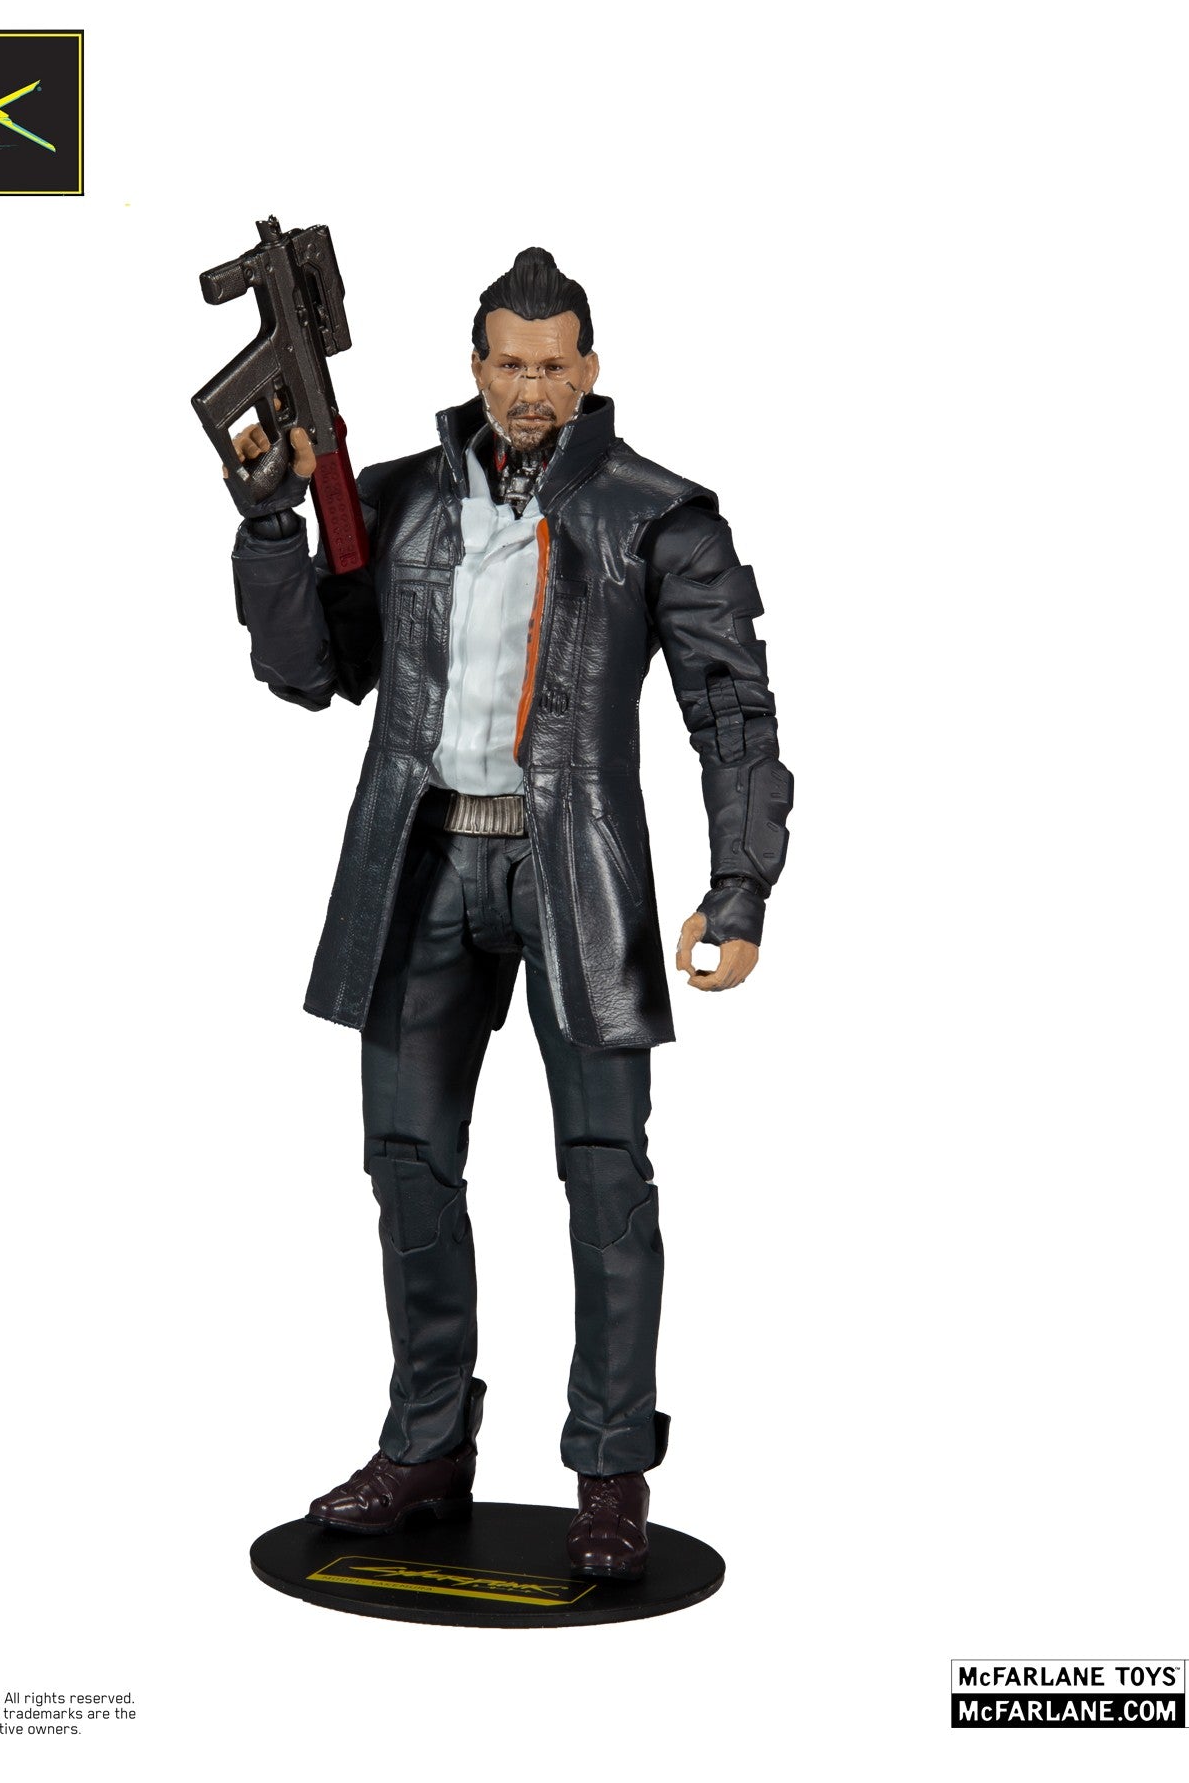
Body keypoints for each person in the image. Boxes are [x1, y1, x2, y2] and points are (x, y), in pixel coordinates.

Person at [224, 248, 792, 1580]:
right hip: (418, 861)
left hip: (571, 872)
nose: (530, 388)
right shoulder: (402, 501)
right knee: (406, 1160)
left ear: (588, 371)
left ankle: (610, 1469)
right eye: (508, 363)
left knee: (605, 1169)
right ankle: (427, 1447)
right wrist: (271, 529)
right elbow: (311, 672)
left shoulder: (658, 516)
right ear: (475, 366)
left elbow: (730, 709)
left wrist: (739, 882)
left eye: (552, 365)